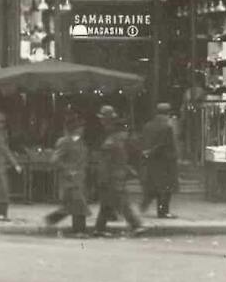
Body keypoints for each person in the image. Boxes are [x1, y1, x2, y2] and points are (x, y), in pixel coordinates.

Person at [91, 106, 143, 235]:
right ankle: (135, 225)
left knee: (110, 203)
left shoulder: (113, 137)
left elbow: (118, 157)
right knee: (120, 202)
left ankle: (100, 229)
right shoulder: (113, 137)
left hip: (112, 174)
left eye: (103, 119)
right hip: (112, 175)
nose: (102, 122)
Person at [46, 115, 92, 237]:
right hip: (70, 180)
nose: (82, 129)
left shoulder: (80, 142)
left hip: (80, 179)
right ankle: (79, 231)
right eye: (79, 127)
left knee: (74, 205)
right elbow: (55, 159)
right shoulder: (64, 141)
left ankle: (51, 219)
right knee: (79, 205)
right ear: (74, 128)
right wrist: (68, 170)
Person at [139, 101, 180, 218]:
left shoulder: (148, 125)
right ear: (168, 113)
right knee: (166, 187)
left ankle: (144, 205)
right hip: (166, 161)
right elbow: (166, 144)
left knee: (154, 185)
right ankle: (163, 211)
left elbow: (143, 142)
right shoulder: (167, 126)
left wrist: (147, 153)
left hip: (152, 161)